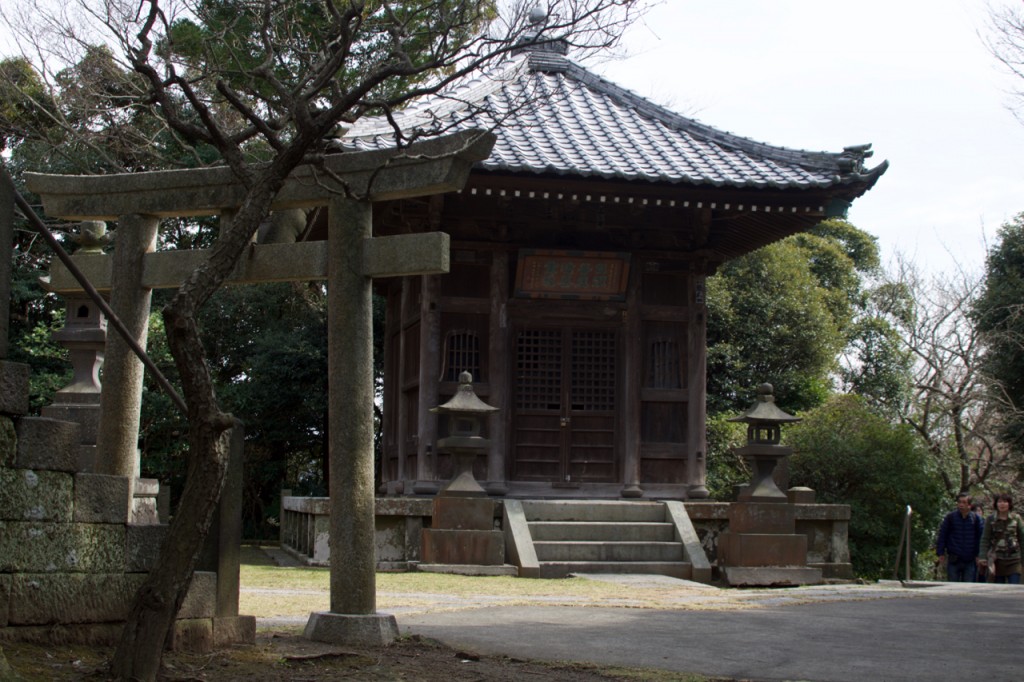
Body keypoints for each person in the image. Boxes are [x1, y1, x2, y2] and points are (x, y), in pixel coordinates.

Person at [978, 493, 1024, 584]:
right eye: (999, 502)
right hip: (997, 560)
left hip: (1014, 559)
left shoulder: (1016, 519)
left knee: (1014, 587)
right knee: (998, 588)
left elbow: (1022, 539)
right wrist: (982, 556)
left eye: (1005, 502)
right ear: (996, 504)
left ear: (1009, 504)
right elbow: (985, 539)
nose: (1002, 504)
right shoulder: (990, 519)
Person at [936, 493, 983, 582]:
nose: (961, 505)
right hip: (954, 558)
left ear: (969, 505)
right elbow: (942, 535)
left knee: (968, 587)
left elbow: (980, 538)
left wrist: (979, 555)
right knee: (952, 586)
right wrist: (940, 552)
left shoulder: (976, 519)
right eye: (959, 502)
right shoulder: (950, 517)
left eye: (964, 502)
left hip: (970, 559)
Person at [972, 503, 988, 582]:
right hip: (972, 555)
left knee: (983, 576)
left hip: (985, 555)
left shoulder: (987, 524)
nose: (977, 513)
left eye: (979, 511)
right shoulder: (971, 524)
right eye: (975, 511)